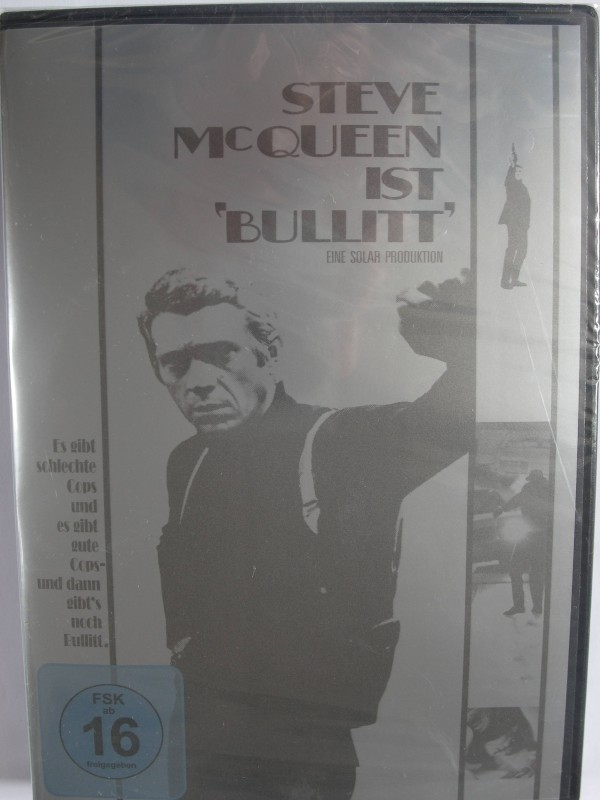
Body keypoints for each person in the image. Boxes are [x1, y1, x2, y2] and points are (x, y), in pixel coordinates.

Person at [138, 268, 473, 799]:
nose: (197, 380)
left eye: (222, 353)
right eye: (175, 362)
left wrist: (463, 342)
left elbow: (458, 417)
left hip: (300, 758)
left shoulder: (341, 442)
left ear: (269, 353)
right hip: (199, 738)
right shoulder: (188, 460)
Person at [494, 470, 551, 617]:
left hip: (530, 537)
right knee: (537, 573)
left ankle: (519, 605)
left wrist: (501, 509)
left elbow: (516, 500)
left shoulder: (529, 489)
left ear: (533, 480)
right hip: (542, 538)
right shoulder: (549, 491)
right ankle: (537, 607)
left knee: (515, 570)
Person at [499, 146, 531, 290]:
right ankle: (505, 281)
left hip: (523, 224)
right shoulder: (511, 184)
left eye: (520, 172)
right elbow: (509, 178)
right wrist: (513, 164)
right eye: (516, 172)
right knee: (512, 249)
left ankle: (514, 279)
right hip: (513, 222)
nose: (518, 174)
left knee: (522, 250)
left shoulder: (523, 187)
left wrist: (526, 224)